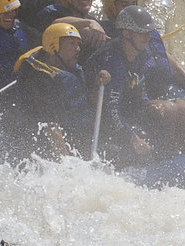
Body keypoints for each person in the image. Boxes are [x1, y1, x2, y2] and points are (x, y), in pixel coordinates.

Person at [97, 5, 185, 159]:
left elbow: (166, 71)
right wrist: (132, 137)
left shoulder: (141, 52)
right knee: (166, 110)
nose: (148, 37)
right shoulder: (113, 61)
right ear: (126, 33)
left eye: (148, 32)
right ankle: (163, 158)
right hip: (117, 117)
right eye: (142, 32)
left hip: (136, 107)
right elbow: (111, 110)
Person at [12, 21, 111, 159]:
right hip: (45, 146)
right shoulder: (40, 81)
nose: (78, 49)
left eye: (78, 44)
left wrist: (99, 83)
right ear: (54, 46)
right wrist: (68, 166)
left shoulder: (73, 68)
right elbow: (51, 128)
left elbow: (90, 103)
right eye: (72, 44)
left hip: (81, 137)